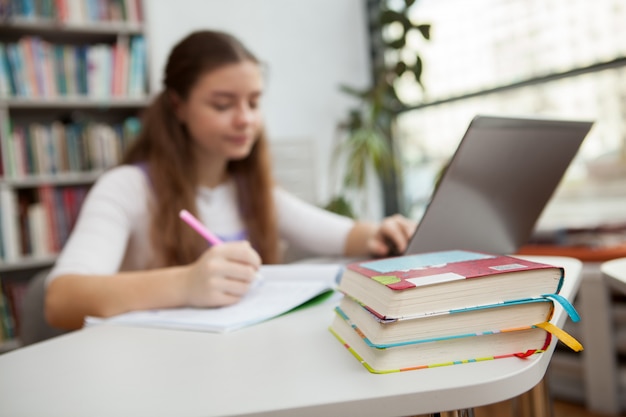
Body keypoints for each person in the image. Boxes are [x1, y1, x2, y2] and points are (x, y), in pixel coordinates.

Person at [44, 30, 417, 330]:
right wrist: (186, 285)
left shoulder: (253, 191)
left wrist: (381, 232)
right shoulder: (126, 188)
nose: (245, 120)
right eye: (223, 105)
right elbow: (61, 300)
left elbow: (342, 234)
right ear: (177, 105)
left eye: (254, 103)